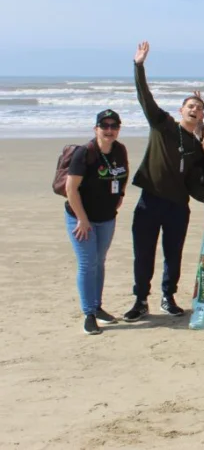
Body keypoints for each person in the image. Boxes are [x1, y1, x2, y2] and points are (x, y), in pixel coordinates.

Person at [125, 42, 204, 322]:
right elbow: (144, 97)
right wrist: (139, 65)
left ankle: (168, 297)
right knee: (143, 253)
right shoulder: (163, 126)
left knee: (173, 253)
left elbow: (195, 184)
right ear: (181, 109)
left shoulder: (197, 146)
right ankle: (140, 300)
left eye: (199, 107)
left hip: (177, 206)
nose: (195, 109)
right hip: (150, 201)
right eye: (191, 106)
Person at [64, 109, 129, 334]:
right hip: (81, 218)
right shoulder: (85, 153)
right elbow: (70, 189)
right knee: (87, 263)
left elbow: (123, 175)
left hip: (107, 218)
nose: (109, 130)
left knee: (99, 261)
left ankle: (98, 307)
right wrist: (82, 220)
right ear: (96, 129)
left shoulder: (119, 150)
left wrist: (120, 196)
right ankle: (89, 314)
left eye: (114, 126)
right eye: (105, 126)